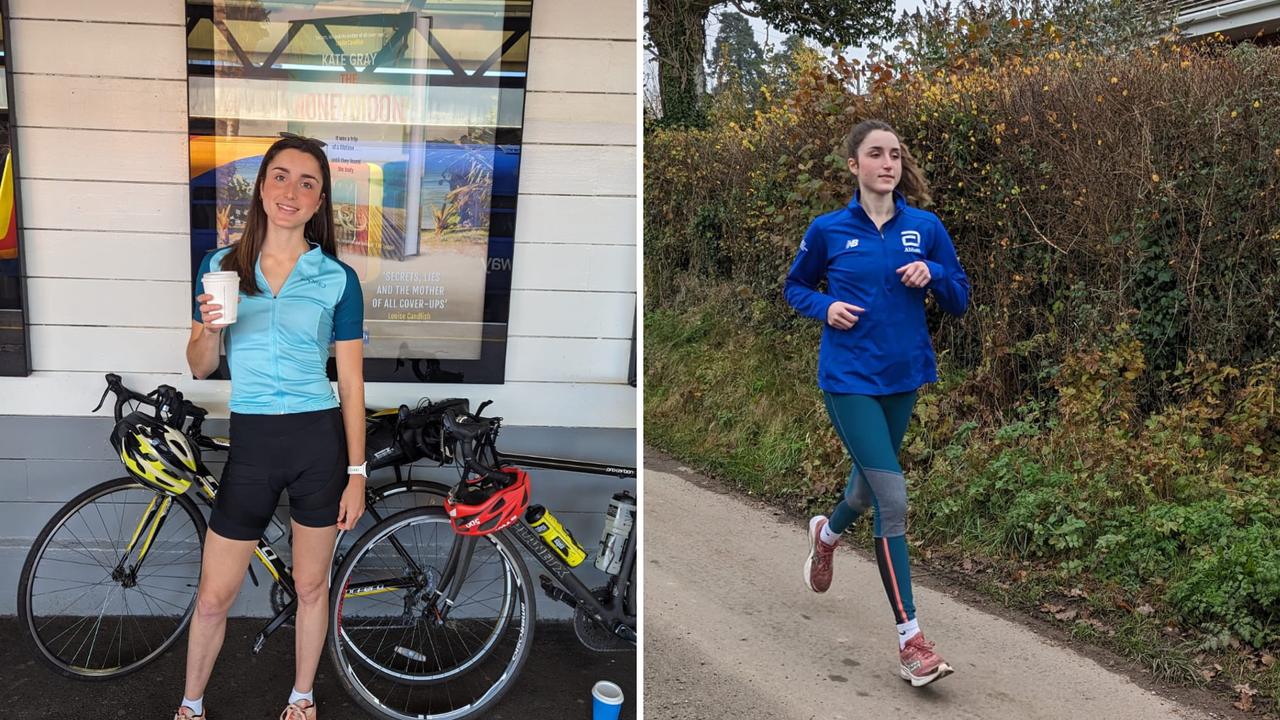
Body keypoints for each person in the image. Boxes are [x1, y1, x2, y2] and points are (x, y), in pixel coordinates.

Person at [179, 133, 367, 720]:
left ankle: (302, 698)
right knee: (214, 596)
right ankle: (190, 706)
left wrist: (356, 472)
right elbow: (201, 366)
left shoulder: (338, 279)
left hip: (318, 442)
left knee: (311, 587)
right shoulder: (221, 267)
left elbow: (353, 385)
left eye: (307, 182)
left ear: (319, 202)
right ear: (262, 188)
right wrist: (208, 329)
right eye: (281, 177)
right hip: (253, 442)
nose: (292, 191)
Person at [784, 119, 969, 688]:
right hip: (848, 378)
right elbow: (796, 287)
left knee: (866, 487)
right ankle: (911, 640)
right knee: (891, 495)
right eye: (875, 154)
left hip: (904, 376)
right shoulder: (828, 230)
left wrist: (934, 272)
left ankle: (827, 534)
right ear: (854, 165)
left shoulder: (927, 227)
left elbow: (959, 299)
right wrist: (824, 309)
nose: (887, 163)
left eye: (894, 154)